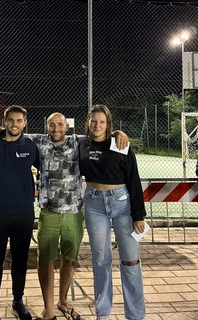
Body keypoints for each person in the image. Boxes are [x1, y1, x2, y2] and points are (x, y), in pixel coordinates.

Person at [0, 112, 128, 320]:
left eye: (60, 125)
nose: (56, 129)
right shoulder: (37, 142)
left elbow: (100, 135)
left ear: (66, 126)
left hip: (74, 214)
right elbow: (15, 132)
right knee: (45, 261)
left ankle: (63, 301)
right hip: (48, 213)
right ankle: (48, 308)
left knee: (69, 260)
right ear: (46, 127)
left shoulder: (79, 142)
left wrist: (117, 132)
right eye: (51, 125)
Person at [79, 104, 146, 320]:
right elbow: (53, 135)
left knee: (130, 259)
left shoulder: (120, 143)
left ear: (108, 124)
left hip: (122, 204)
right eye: (94, 121)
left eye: (102, 122)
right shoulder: (81, 145)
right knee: (100, 260)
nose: (97, 125)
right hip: (93, 204)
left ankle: (135, 314)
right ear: (88, 122)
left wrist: (138, 215)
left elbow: (133, 180)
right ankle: (103, 312)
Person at [0, 105, 40, 320]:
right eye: (10, 120)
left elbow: (47, 162)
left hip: (23, 213)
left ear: (25, 123)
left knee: (20, 259)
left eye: (19, 121)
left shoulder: (31, 146)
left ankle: (17, 300)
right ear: (4, 121)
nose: (14, 124)